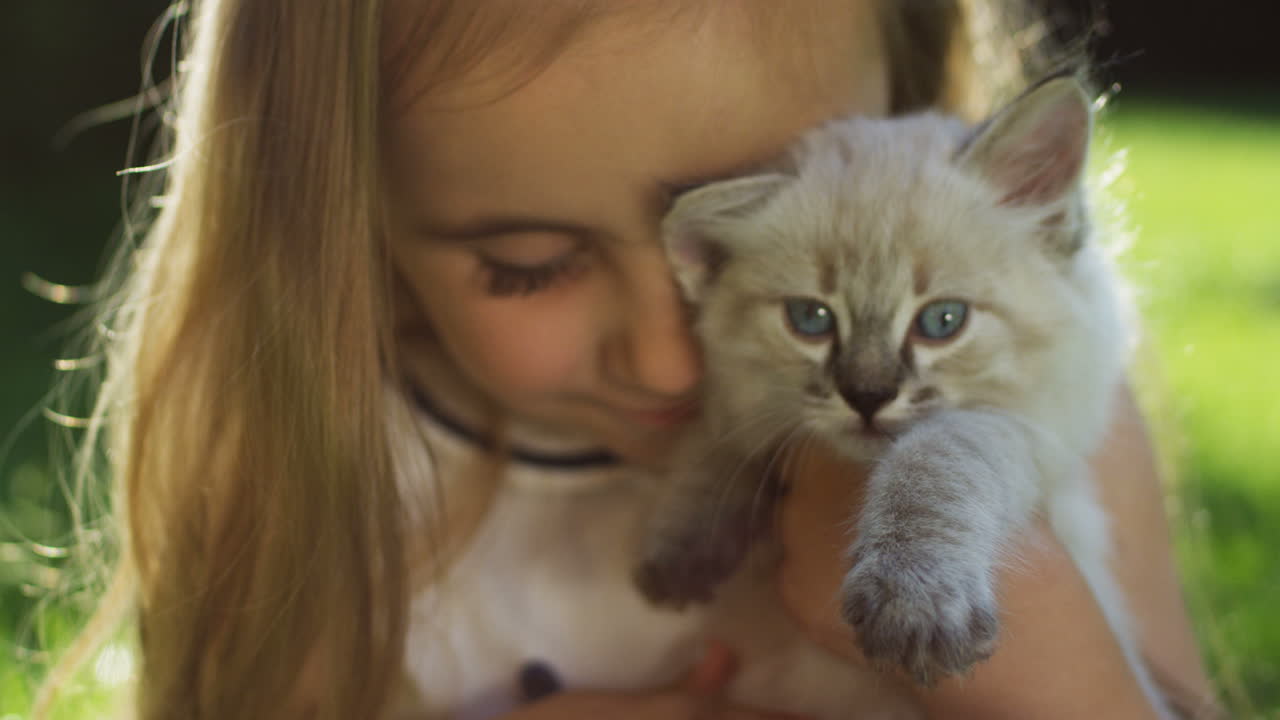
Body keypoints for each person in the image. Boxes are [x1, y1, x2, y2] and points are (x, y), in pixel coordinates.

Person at [34, 1, 1221, 718]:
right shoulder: (334, 466)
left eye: (733, 236)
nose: (669, 356)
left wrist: (1063, 680)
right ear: (350, 225)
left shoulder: (1047, 395)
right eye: (531, 263)